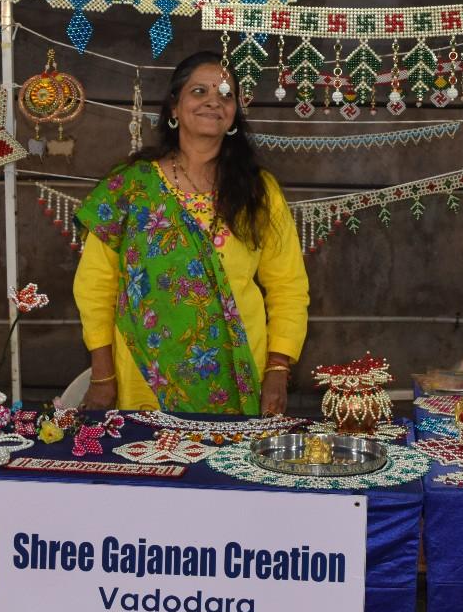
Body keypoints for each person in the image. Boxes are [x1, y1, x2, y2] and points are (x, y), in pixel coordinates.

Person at [73, 52, 309, 415]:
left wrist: (278, 369)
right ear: (174, 107)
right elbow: (95, 286)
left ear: (234, 113)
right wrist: (103, 376)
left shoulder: (258, 191)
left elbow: (288, 287)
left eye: (226, 94)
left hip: (236, 374)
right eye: (199, 91)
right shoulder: (130, 185)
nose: (214, 101)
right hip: (145, 375)